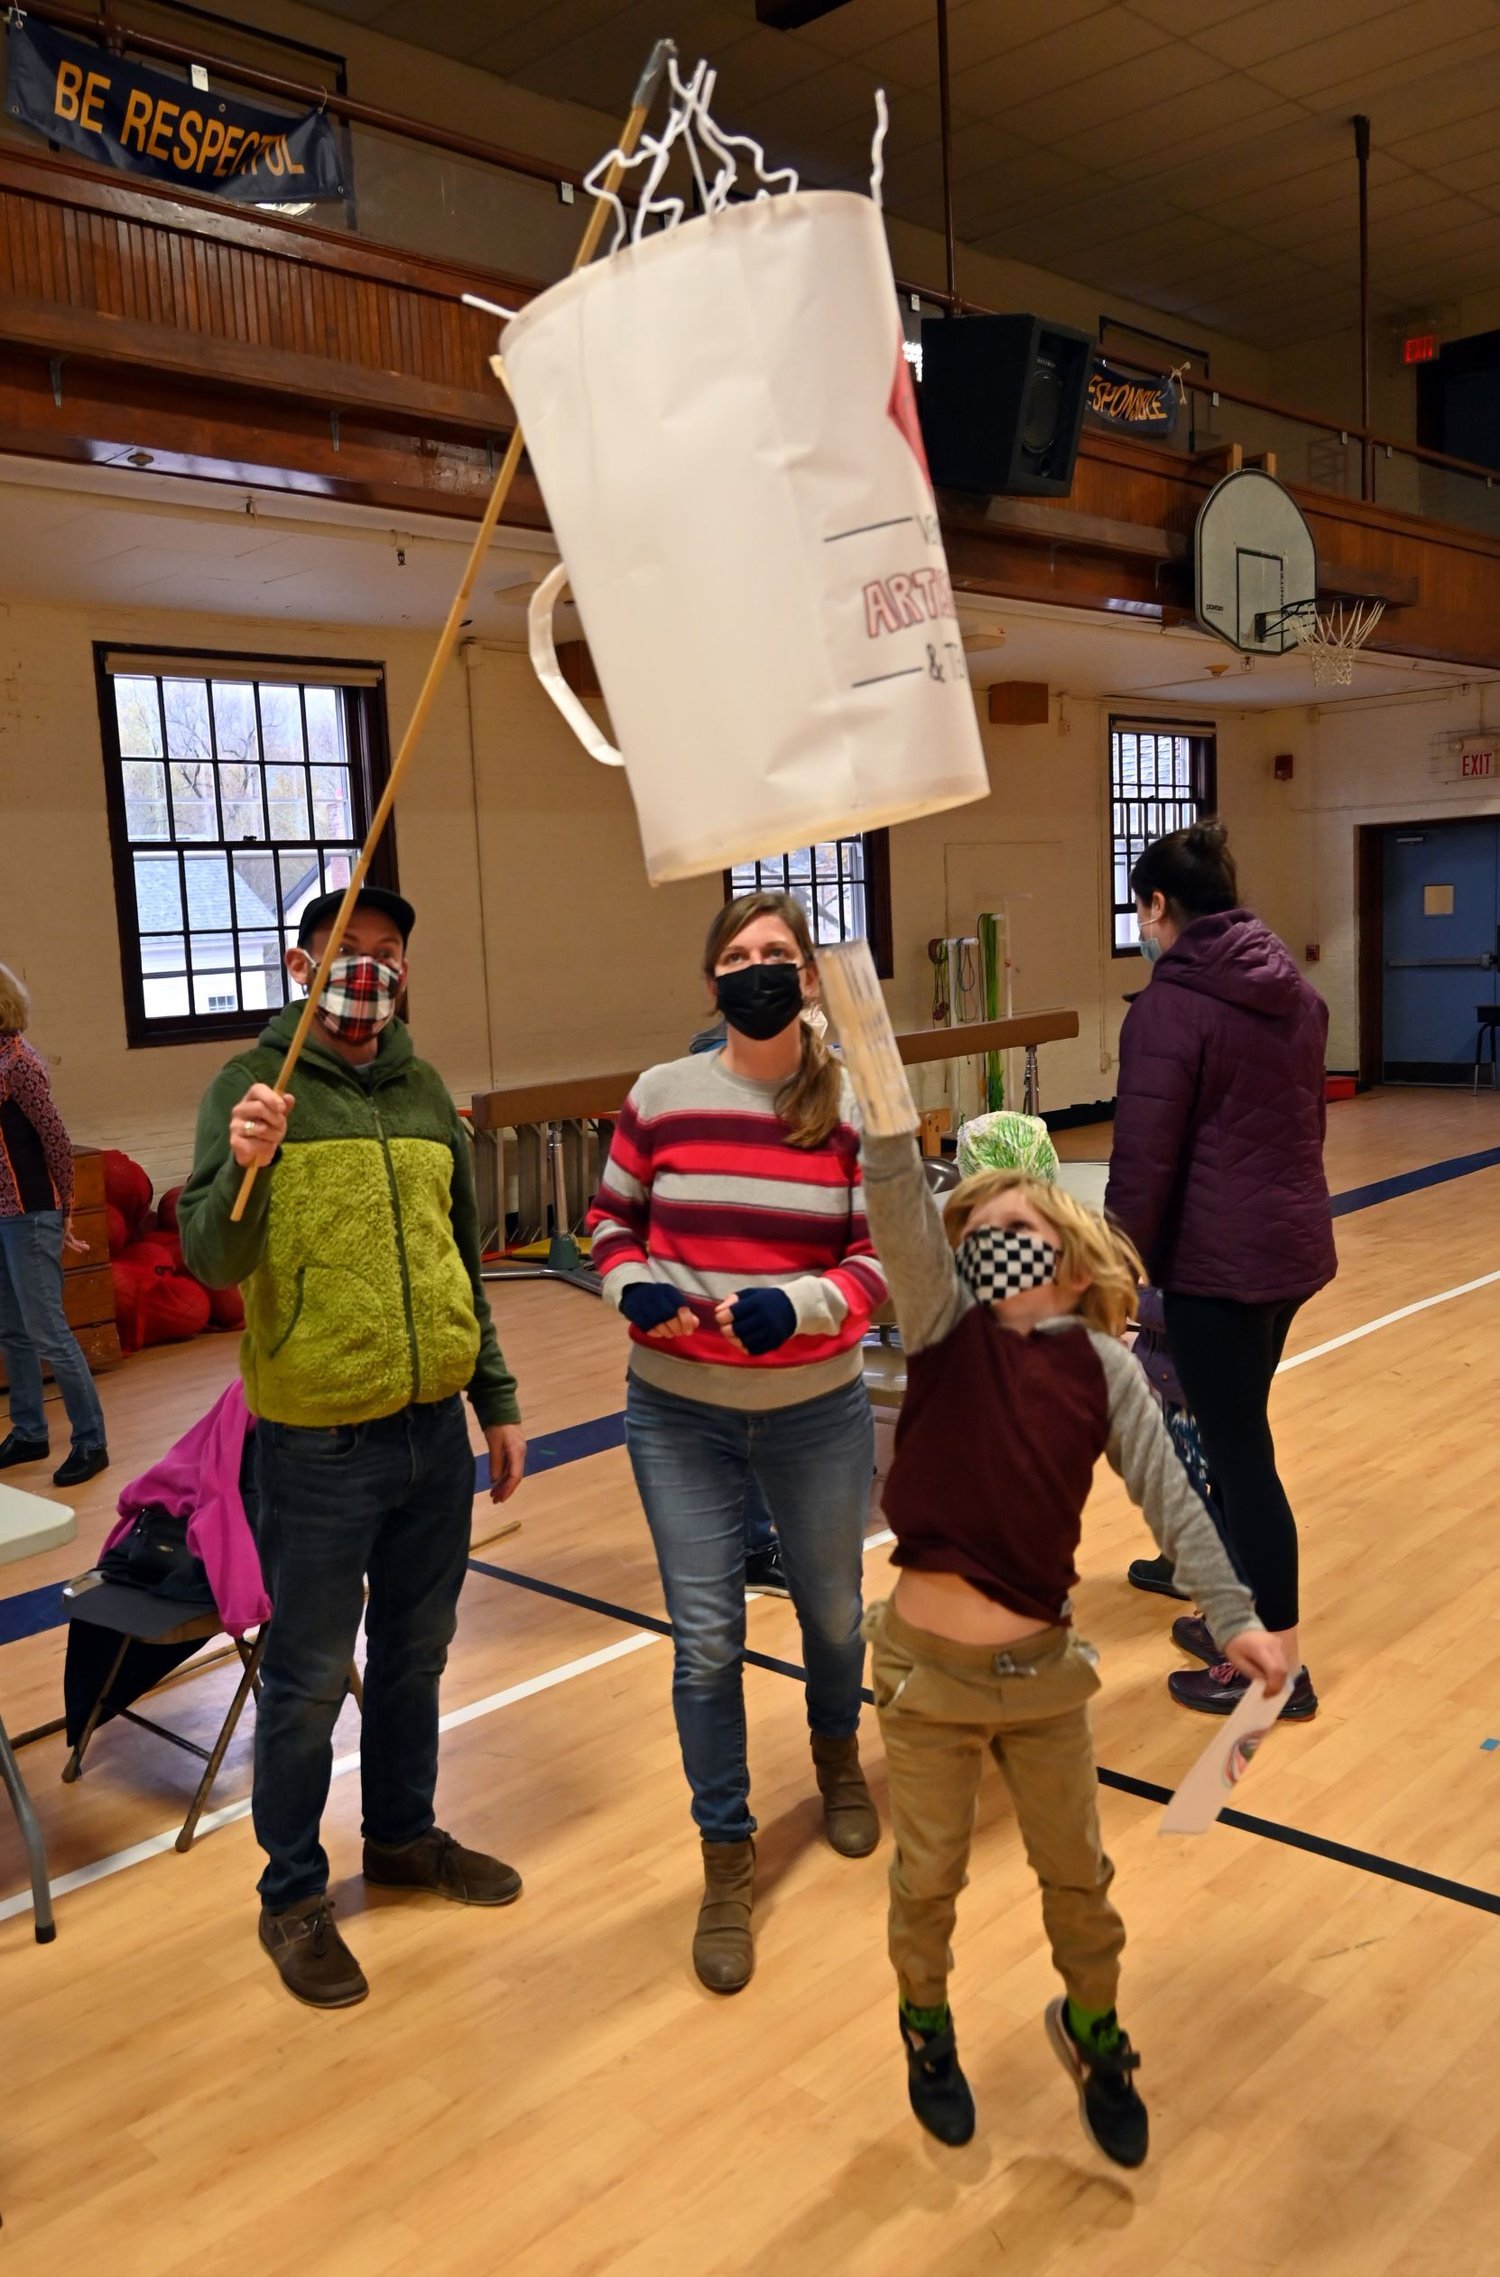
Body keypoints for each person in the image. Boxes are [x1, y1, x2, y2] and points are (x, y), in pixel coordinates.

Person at [855, 1129, 1285, 2160]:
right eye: (976, 1234)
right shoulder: (944, 1333)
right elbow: (902, 1213)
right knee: (927, 1880)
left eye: (1019, 1229)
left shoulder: (1102, 1369)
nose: (992, 1244)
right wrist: (880, 1117)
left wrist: (1234, 1616)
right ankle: (926, 2030)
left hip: (1042, 1681)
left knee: (1080, 1882)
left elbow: (1172, 1500)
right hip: (924, 1678)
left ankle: (1095, 2031)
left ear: (1073, 1261)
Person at [177, 885, 526, 2010]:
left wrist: (498, 1398)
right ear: (300, 965)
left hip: (433, 1434)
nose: (367, 971)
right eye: (344, 954)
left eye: (386, 954)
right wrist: (245, 1166)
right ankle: (292, 1894)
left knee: (417, 1657)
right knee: (310, 1679)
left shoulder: (426, 1093)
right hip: (318, 1443)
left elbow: (458, 1259)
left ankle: (404, 1838)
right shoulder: (251, 1088)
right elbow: (208, 1262)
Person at [587, 890, 887, 1994]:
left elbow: (886, 1255)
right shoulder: (662, 1095)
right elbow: (609, 1221)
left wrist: (802, 1305)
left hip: (815, 1407)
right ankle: (727, 1854)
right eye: (737, 956)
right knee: (705, 1640)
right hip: (679, 1410)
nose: (758, 969)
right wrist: (633, 1288)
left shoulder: (857, 1102)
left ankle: (838, 1761)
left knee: (835, 1609)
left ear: (809, 977)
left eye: (778, 954)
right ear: (712, 980)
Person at [1105, 823, 1335, 1721]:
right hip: (1287, 1255)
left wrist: (1114, 1273)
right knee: (1240, 1442)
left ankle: (1276, 1670)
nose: (1143, 926)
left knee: (1240, 1458)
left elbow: (1144, 1162)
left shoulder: (1168, 1007)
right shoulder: (1299, 995)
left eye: (1142, 909)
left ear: (1160, 905)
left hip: (1215, 1269)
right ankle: (1236, 1625)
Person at [0, 962, 109, 1489]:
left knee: (48, 1331)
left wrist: (64, 1210)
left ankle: (91, 1440)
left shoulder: (19, 1061)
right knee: (12, 1328)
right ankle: (29, 1431)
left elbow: (56, 1140)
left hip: (30, 1212)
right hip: (2, 1216)